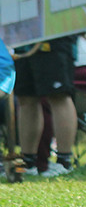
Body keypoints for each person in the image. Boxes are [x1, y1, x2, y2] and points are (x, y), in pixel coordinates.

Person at [14, 37, 78, 176]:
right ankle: (28, 163)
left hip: (55, 34)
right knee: (26, 97)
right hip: (23, 36)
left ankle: (64, 162)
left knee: (58, 95)